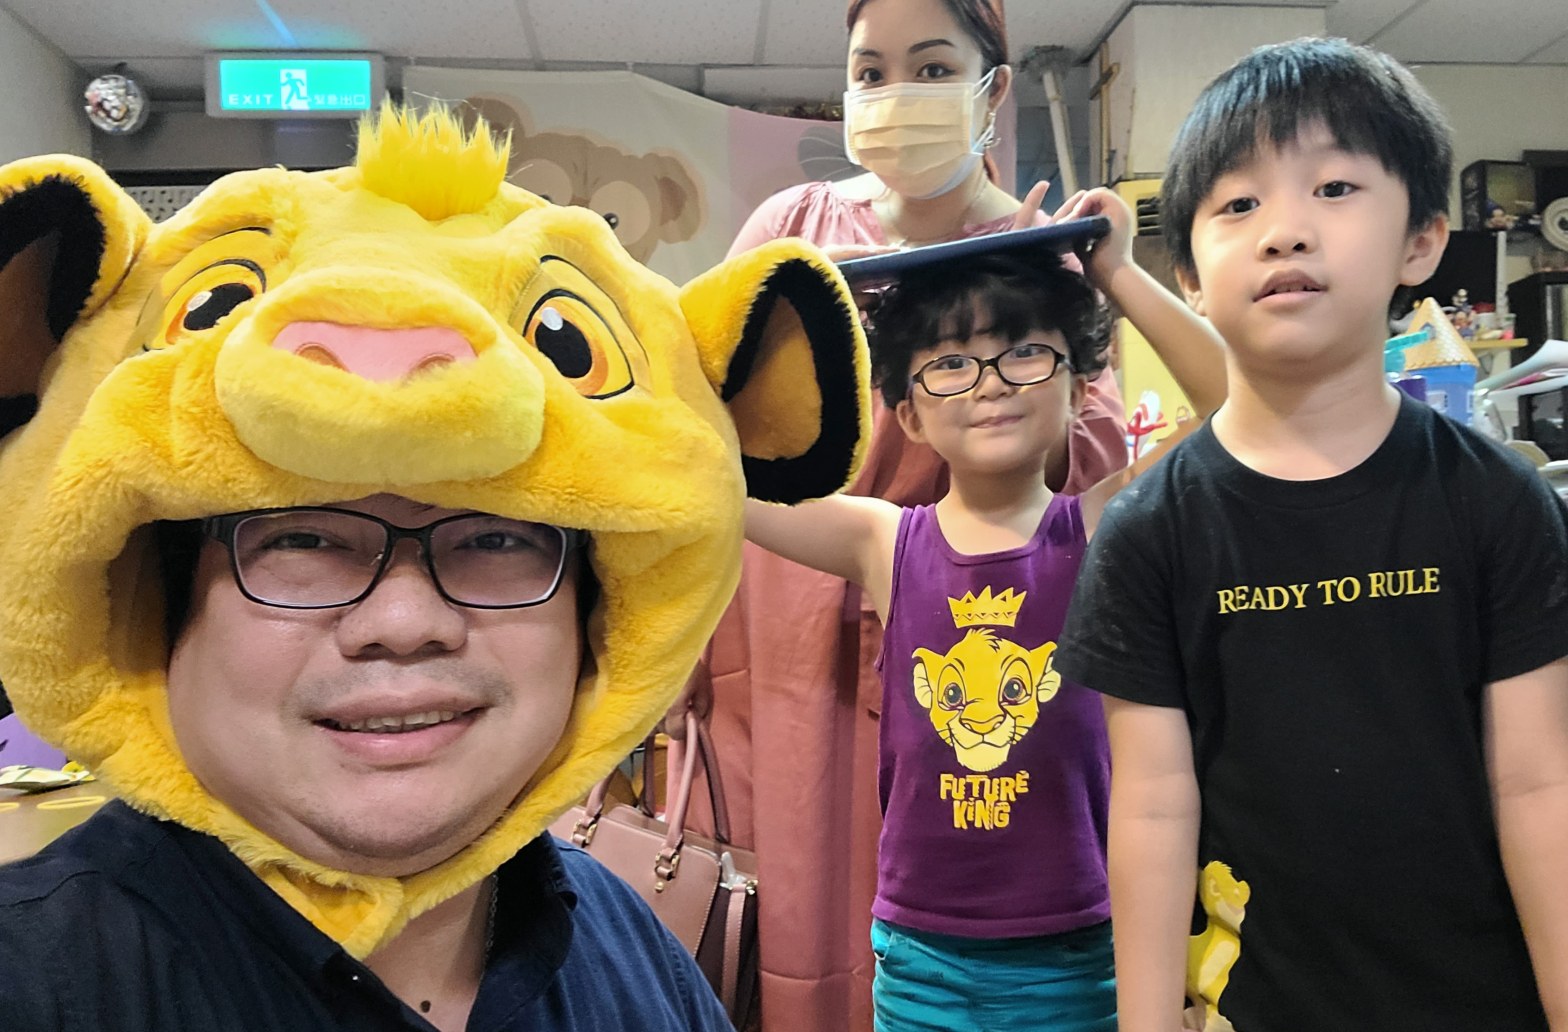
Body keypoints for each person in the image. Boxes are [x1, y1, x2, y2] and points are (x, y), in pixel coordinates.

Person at [0, 105, 870, 1030]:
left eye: (495, 540)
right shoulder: (36, 980)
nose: (404, 623)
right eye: (302, 540)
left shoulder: (631, 949)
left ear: (595, 614)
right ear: (159, 600)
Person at [682, 3, 1227, 1025]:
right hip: (919, 951)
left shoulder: (1091, 526)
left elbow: (1236, 413)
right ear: (907, 408)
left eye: (1023, 354)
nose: (989, 384)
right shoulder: (885, 540)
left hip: (1078, 951)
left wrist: (1113, 270)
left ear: (1076, 382)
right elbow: (708, 462)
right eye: (949, 365)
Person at [1056, 38, 1568, 1032]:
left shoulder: (1496, 501)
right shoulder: (1149, 534)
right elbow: (1153, 809)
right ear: (1187, 273)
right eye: (1238, 204)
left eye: (1333, 188)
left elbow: (1538, 784)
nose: (1284, 231)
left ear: (1420, 240)